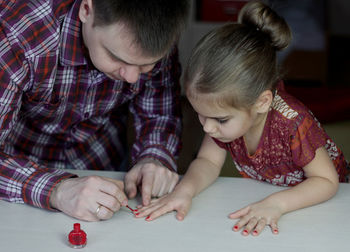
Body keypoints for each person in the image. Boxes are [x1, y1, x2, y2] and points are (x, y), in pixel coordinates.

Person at [134, 0, 349, 236]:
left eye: (220, 120)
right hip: (267, 196)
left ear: (262, 102)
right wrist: (184, 191)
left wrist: (277, 204)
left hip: (327, 205)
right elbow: (207, 162)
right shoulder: (223, 119)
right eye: (200, 115)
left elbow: (326, 182)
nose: (208, 128)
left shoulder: (293, 123)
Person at [0, 0, 189, 221]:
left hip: (105, 161)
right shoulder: (18, 34)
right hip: (16, 173)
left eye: (148, 65)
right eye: (117, 58)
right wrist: (56, 190)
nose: (132, 78)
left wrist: (155, 156)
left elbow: (159, 114)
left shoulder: (157, 30)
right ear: (86, 9)